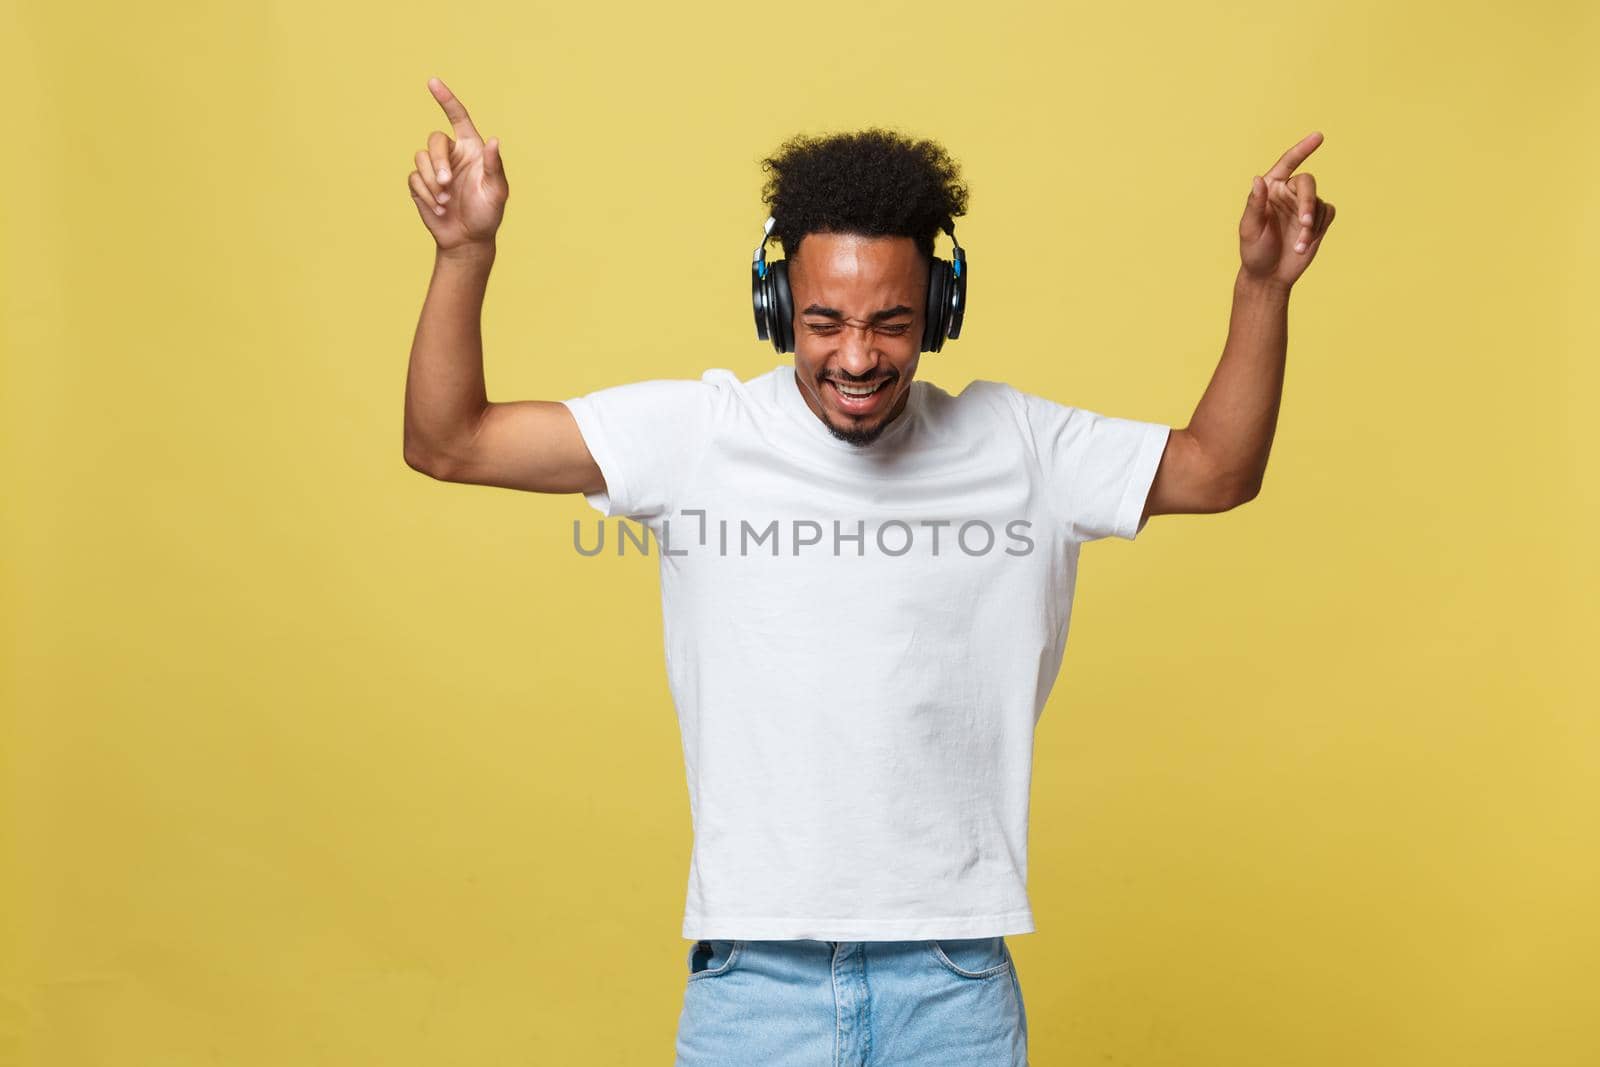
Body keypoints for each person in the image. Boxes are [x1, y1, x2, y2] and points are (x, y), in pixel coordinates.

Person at [402, 75, 1335, 1067]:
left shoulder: (1018, 443)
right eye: (822, 321)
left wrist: (1260, 288)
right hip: (754, 983)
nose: (856, 355)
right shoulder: (697, 435)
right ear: (776, 307)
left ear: (939, 307)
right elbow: (448, 442)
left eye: (890, 321)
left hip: (952, 981)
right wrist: (464, 252)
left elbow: (1217, 469)